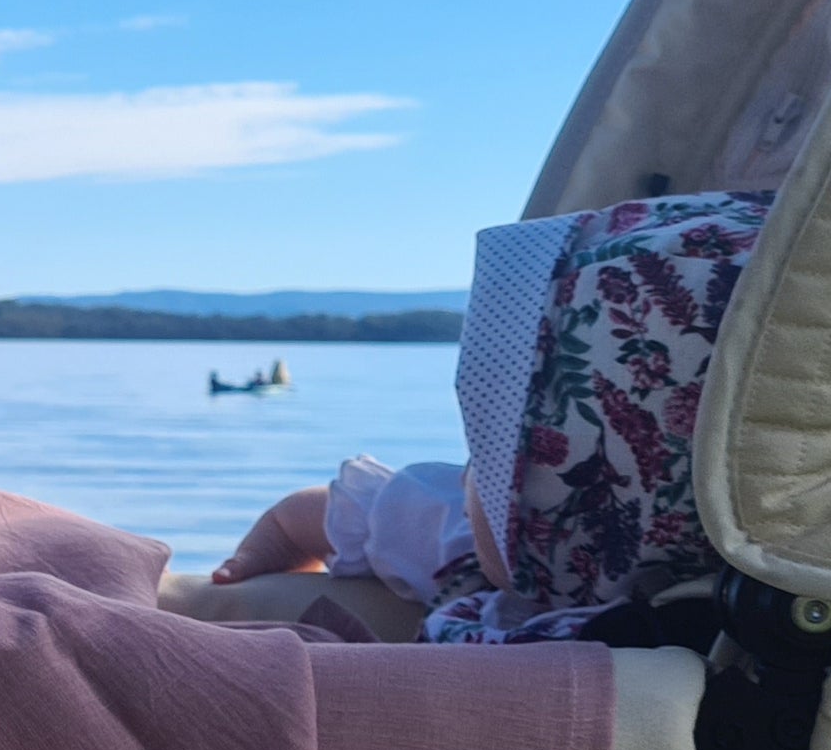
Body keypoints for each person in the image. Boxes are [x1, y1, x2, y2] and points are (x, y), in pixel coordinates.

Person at [180, 192, 776, 643]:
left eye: (490, 464)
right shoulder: (477, 541)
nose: (466, 476)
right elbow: (320, 515)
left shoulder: (586, 644)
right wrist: (255, 557)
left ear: (581, 518)